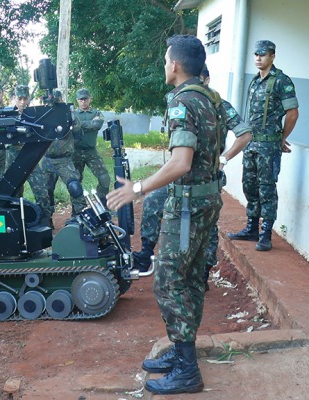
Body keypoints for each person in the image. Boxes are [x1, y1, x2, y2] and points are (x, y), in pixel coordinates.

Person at [107, 34, 224, 395]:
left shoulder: (182, 102)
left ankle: (187, 370)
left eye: (164, 61)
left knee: (169, 281)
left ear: (175, 65)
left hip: (187, 206)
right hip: (206, 200)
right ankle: (181, 352)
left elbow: (180, 161)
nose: (163, 66)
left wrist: (137, 189)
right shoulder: (210, 99)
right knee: (188, 279)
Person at [133, 65, 252, 290]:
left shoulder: (219, 106)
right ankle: (147, 252)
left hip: (203, 178)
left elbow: (245, 134)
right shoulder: (181, 99)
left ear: (206, 79)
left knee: (206, 224)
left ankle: (203, 270)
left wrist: (224, 158)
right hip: (180, 177)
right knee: (154, 203)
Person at [227, 40, 299, 251]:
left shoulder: (281, 81)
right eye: (256, 54)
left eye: (263, 54)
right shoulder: (255, 81)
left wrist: (281, 138)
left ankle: (265, 233)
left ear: (272, 56)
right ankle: (252, 228)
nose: (258, 58)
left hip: (268, 147)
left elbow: (293, 113)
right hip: (251, 145)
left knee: (266, 189)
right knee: (249, 186)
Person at [4, 84, 52, 227]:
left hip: (31, 155)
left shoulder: (34, 114)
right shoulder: (7, 113)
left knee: (41, 191)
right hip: (12, 156)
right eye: (20, 98)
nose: (23, 102)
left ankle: (45, 224)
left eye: (26, 98)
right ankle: (16, 225)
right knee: (13, 194)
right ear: (14, 98)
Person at [40, 89, 87, 224]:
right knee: (45, 191)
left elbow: (78, 131)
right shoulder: (42, 114)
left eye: (57, 101)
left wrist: (70, 117)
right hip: (47, 158)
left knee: (75, 186)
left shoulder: (68, 113)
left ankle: (80, 216)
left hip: (64, 159)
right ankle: (46, 219)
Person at [73, 88, 110, 205]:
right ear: (77, 100)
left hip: (91, 152)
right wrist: (89, 124)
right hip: (75, 152)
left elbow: (97, 124)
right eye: (81, 99)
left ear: (90, 99)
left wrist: (78, 125)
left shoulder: (97, 113)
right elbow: (72, 128)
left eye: (85, 99)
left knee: (105, 178)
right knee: (75, 183)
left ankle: (102, 205)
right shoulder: (72, 114)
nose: (83, 102)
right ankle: (78, 210)